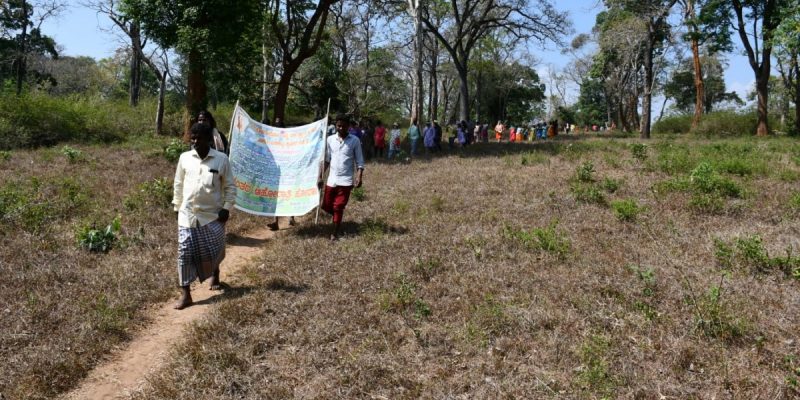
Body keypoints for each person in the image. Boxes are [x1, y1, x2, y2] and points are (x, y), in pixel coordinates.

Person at [172, 123, 236, 310]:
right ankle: (186, 294)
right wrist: (177, 206)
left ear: (209, 140)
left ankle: (215, 272)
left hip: (212, 216)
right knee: (184, 252)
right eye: (193, 138)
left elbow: (230, 187)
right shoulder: (185, 158)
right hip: (187, 215)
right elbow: (178, 183)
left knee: (213, 250)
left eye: (199, 138)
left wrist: (226, 208)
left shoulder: (221, 160)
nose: (195, 141)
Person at [319, 114, 365, 241]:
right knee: (326, 205)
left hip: (346, 181)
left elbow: (360, 161)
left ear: (348, 126)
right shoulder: (330, 140)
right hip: (331, 180)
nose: (340, 128)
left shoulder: (355, 141)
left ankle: (335, 232)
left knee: (338, 206)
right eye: (338, 126)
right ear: (336, 125)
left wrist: (359, 176)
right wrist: (320, 176)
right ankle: (337, 218)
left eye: (343, 126)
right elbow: (326, 160)